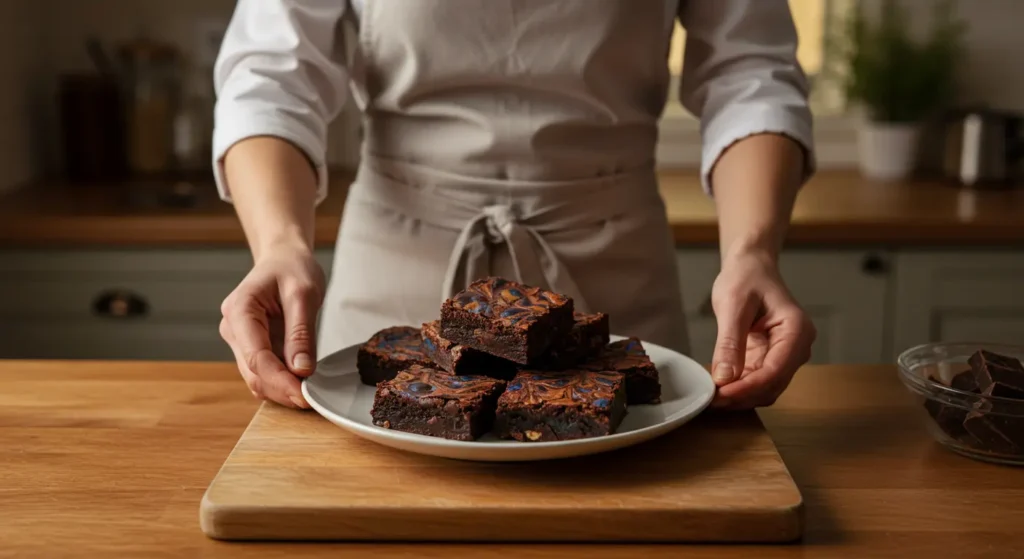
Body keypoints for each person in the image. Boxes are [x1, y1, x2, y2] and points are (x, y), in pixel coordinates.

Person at [213, 0, 817, 412]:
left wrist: (752, 251)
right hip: (396, 264)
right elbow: (271, 75)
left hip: (615, 275)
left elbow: (751, 73)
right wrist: (280, 245)